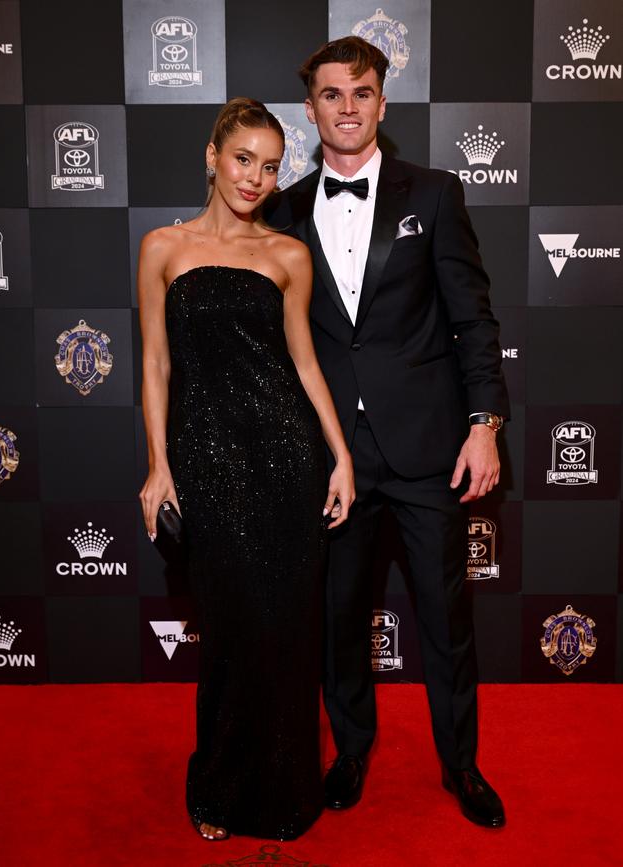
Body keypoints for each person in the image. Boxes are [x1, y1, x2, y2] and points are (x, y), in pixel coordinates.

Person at [265, 37, 510, 828]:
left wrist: (484, 425)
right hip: (332, 459)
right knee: (339, 621)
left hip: (427, 449)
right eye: (331, 95)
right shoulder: (282, 209)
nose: (346, 107)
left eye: (361, 92)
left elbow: (473, 319)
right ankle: (350, 753)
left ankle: (461, 766)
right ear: (309, 111)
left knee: (446, 621)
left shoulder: (433, 195)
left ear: (381, 101)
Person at [137, 97, 355, 842]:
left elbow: (305, 363)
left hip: (287, 458)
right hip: (208, 461)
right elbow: (156, 363)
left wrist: (341, 456)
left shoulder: (286, 255)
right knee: (231, 631)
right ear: (211, 154)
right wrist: (158, 466)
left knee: (289, 631)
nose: (256, 178)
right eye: (242, 160)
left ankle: (289, 793)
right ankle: (221, 787)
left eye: (270, 166)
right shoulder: (162, 246)